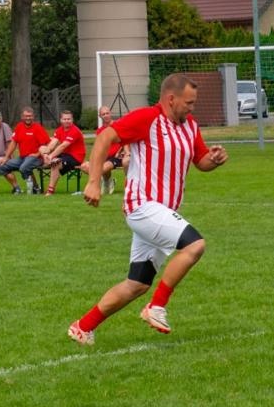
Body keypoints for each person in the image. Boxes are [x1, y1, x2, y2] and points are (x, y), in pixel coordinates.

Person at [68, 74, 228, 345]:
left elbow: (201, 161)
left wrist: (215, 159)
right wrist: (93, 182)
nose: (192, 108)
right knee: (195, 245)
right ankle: (157, 306)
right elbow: (105, 137)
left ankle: (83, 327)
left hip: (161, 212)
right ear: (171, 99)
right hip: (142, 206)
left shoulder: (190, 125)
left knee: (137, 284)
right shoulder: (147, 118)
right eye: (189, 102)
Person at [0, 107, 50, 194]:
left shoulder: (38, 128)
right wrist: (6, 157)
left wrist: (37, 154)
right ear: (22, 117)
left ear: (33, 116)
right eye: (26, 116)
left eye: (30, 116)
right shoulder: (19, 127)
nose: (28, 118)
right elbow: (13, 142)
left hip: (36, 158)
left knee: (24, 168)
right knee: (2, 166)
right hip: (22, 158)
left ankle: (36, 187)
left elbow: (47, 144)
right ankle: (17, 188)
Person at [43, 110, 87, 195]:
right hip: (65, 155)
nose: (67, 121)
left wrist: (51, 156)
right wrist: (46, 154)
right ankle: (40, 188)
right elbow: (53, 143)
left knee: (55, 163)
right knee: (45, 157)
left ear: (72, 120)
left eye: (69, 119)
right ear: (61, 120)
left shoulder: (75, 130)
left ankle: (50, 191)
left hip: (76, 157)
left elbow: (63, 146)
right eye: (64, 119)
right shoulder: (59, 130)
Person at [95, 105, 125, 194]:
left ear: (110, 113)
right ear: (100, 116)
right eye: (103, 114)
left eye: (107, 113)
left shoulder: (118, 126)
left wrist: (119, 152)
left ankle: (107, 182)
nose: (106, 115)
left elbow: (126, 141)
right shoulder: (99, 131)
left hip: (118, 156)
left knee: (104, 167)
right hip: (106, 156)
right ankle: (107, 181)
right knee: (88, 166)